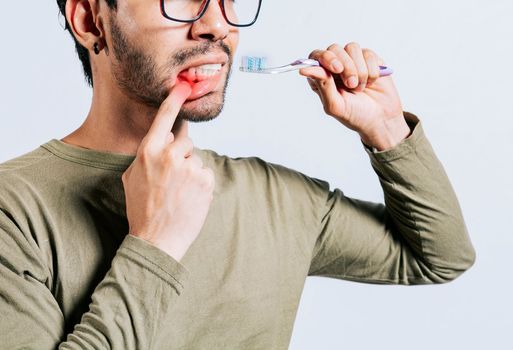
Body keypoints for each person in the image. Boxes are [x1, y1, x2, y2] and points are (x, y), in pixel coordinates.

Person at [0, 0, 476, 348]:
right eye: (181, 1)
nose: (217, 25)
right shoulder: (14, 208)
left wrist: (387, 129)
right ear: (90, 19)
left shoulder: (277, 199)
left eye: (228, 1)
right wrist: (155, 246)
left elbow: (437, 257)